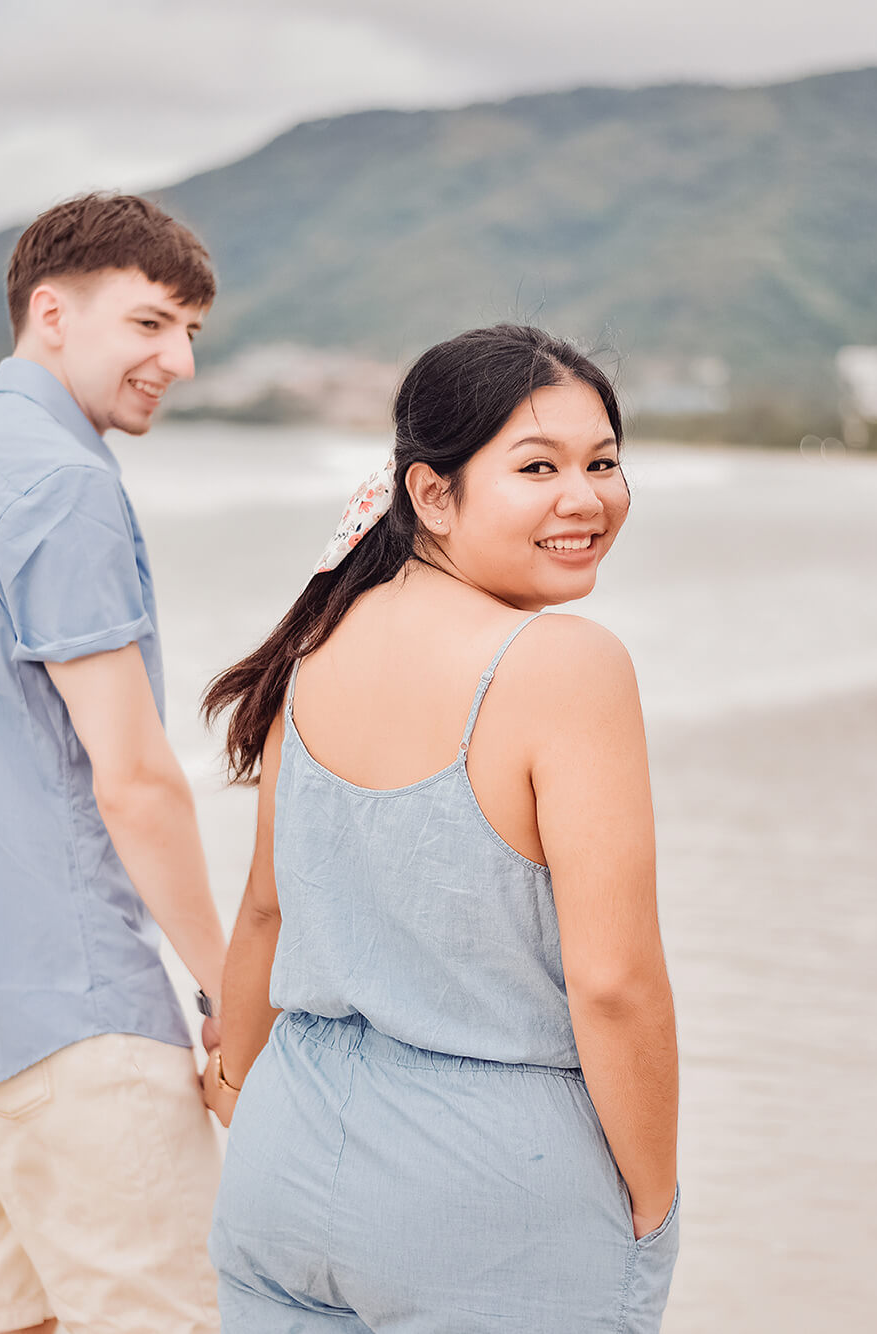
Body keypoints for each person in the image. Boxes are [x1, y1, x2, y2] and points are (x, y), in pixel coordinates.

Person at [199, 325, 681, 1331]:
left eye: (602, 462)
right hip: (488, 1188)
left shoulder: (316, 641)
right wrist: (652, 1196)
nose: (585, 497)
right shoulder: (563, 664)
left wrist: (237, 1086)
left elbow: (262, 911)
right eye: (537, 465)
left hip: (282, 1159)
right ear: (430, 492)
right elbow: (613, 983)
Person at [0, 193, 228, 1334]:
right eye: (151, 323)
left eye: (189, 334)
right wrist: (229, 982)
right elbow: (131, 772)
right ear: (52, 312)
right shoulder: (60, 481)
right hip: (75, 1014)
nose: (175, 359)